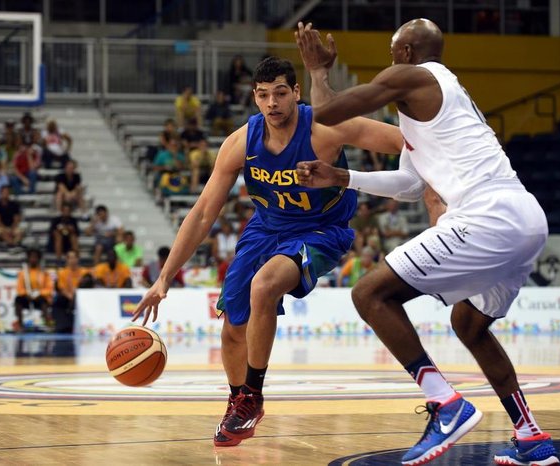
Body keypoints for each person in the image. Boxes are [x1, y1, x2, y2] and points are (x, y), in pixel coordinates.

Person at [294, 20, 558, 465]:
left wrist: (318, 72)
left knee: (370, 294)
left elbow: (328, 112)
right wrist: (343, 177)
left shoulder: (411, 76)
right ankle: (531, 436)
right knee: (469, 325)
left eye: (393, 50)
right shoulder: (439, 102)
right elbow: (410, 185)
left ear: (409, 51)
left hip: (488, 217)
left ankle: (446, 403)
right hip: (526, 219)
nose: (388, 61)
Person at [130, 56, 404, 448]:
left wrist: (436, 177)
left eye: (280, 93)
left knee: (265, 285)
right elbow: (205, 211)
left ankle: (253, 397)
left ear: (296, 93)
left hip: (321, 228)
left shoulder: (325, 127)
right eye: (263, 95)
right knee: (231, 330)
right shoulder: (241, 142)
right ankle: (238, 399)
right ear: (254, 98)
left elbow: (399, 141)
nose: (272, 103)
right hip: (265, 228)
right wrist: (163, 277)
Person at [14, 248, 53, 332]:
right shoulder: (23, 273)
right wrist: (26, 294)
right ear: (28, 259)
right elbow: (19, 289)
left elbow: (49, 289)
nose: (33, 259)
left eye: (35, 257)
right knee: (18, 299)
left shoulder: (44, 273)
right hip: (27, 297)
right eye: (31, 257)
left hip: (40, 297)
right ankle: (20, 325)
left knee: (43, 301)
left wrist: (39, 293)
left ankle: (48, 324)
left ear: (39, 259)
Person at [54, 250, 92, 333]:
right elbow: (62, 288)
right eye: (70, 258)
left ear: (78, 259)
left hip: (83, 299)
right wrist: (72, 297)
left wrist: (77, 298)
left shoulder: (84, 272)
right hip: (68, 298)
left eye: (74, 257)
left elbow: (88, 287)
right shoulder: (62, 273)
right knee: (59, 300)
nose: (72, 260)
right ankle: (63, 326)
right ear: (67, 260)